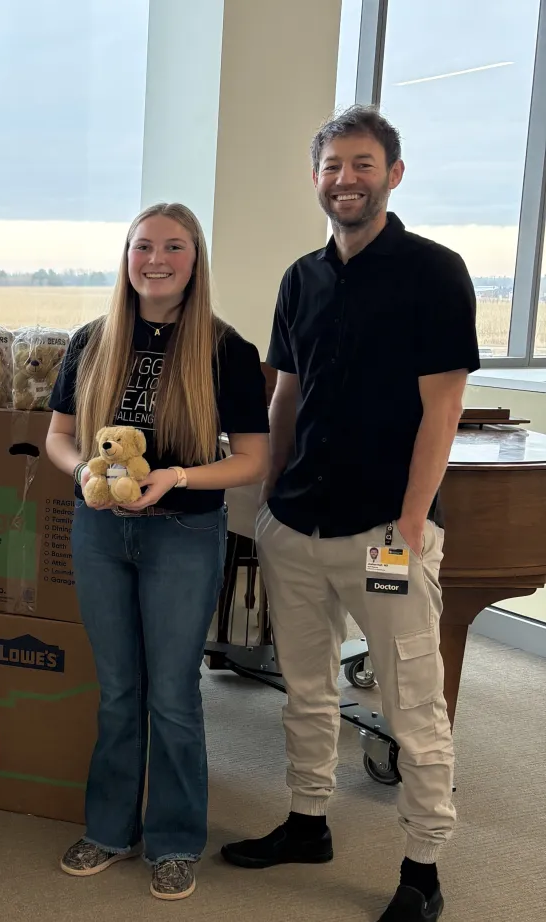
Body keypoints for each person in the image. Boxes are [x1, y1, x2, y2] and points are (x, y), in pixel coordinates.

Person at [219, 106, 480, 922]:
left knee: (412, 705)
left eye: (363, 164)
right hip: (297, 526)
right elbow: (286, 394)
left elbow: (443, 409)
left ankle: (423, 867)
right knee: (305, 689)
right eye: (333, 166)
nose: (346, 180)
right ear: (316, 178)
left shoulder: (435, 272)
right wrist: (270, 497)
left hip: (385, 534)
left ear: (393, 175)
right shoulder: (301, 278)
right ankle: (307, 822)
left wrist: (411, 523)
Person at [44, 202, 270, 900]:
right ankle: (111, 829)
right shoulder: (92, 340)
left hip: (184, 534)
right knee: (118, 690)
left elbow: (253, 460)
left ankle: (175, 841)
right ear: (127, 257)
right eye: (143, 246)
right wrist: (82, 475)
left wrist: (177, 477)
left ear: (195, 259)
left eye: (174, 246)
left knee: (172, 693)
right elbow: (58, 438)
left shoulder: (227, 350)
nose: (156, 260)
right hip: (100, 533)